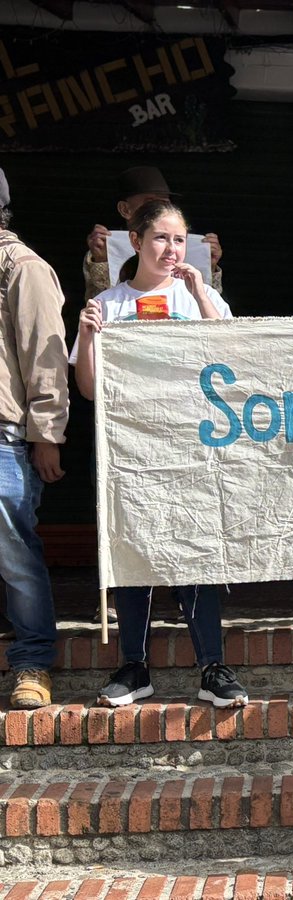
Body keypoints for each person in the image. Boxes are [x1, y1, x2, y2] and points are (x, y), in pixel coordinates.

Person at [71, 199, 247, 709]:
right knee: (132, 553)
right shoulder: (109, 302)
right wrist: (86, 334)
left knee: (197, 553)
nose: (171, 249)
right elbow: (89, 389)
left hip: (192, 449)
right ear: (136, 241)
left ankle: (212, 668)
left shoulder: (200, 296)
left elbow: (233, 359)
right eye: (160, 238)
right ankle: (134, 667)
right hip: (129, 453)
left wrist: (201, 292)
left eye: (179, 240)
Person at [0, 167, 68, 709]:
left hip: (5, 436)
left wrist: (47, 433)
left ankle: (33, 661)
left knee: (14, 551)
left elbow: (46, 357)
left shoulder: (24, 269)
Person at [85, 166, 222, 302]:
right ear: (124, 209)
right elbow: (98, 303)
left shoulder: (190, 251)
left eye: (179, 240)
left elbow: (213, 306)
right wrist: (101, 261)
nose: (171, 249)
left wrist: (209, 265)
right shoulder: (103, 250)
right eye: (150, 203)